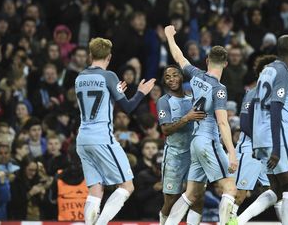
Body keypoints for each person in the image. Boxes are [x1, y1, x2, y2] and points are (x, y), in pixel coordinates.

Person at [74, 37, 155, 225]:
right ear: (109, 57)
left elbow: (98, 98)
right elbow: (127, 108)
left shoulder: (80, 77)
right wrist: (141, 92)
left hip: (83, 139)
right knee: (127, 186)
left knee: (95, 190)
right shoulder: (109, 76)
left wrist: (113, 93)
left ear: (90, 55)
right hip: (102, 137)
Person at [164, 25, 238, 225]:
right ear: (226, 64)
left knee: (191, 194)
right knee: (230, 188)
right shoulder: (219, 89)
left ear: (207, 61)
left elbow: (179, 57)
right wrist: (231, 151)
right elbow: (223, 122)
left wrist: (169, 36)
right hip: (208, 140)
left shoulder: (196, 75)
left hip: (195, 142)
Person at [252, 35, 288, 225]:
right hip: (277, 133)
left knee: (276, 189)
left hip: (261, 133)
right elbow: (275, 108)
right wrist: (276, 148)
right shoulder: (282, 72)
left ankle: (238, 221)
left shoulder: (266, 70)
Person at [157, 64, 206, 225]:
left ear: (182, 77)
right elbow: (166, 130)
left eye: (175, 75)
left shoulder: (193, 99)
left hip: (194, 156)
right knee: (171, 199)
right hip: (175, 156)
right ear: (164, 81)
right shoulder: (164, 102)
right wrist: (187, 118)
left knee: (198, 197)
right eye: (167, 77)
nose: (171, 79)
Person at [232, 55, 278, 225]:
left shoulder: (277, 95)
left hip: (267, 148)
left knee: (274, 191)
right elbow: (244, 123)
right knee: (239, 193)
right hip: (250, 147)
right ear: (259, 72)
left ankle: (239, 221)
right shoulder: (252, 93)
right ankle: (228, 221)